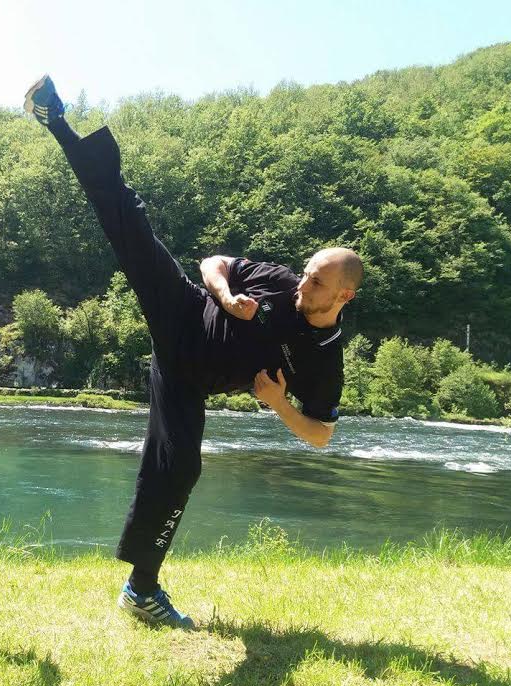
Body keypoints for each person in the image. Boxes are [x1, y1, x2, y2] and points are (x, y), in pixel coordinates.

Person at [24, 75, 362, 628]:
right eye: (305, 272)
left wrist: (280, 404)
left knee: (179, 466)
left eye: (317, 282)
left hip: (186, 378)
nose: (302, 285)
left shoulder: (324, 356)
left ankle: (140, 589)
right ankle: (56, 119)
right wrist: (226, 296)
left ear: (343, 297)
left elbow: (322, 434)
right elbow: (214, 263)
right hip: (181, 310)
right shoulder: (281, 282)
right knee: (129, 222)